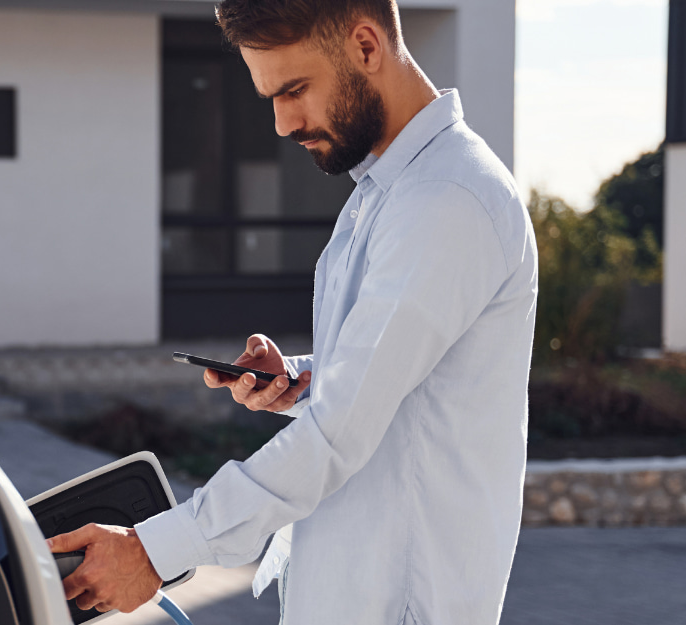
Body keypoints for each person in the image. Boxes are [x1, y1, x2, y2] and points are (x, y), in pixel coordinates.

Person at [46, 0, 538, 622]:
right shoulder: (391, 193)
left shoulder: (445, 201)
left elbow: (339, 432)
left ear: (365, 45)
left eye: (295, 89)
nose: (281, 123)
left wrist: (153, 551)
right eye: (270, 98)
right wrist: (306, 379)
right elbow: (391, 380)